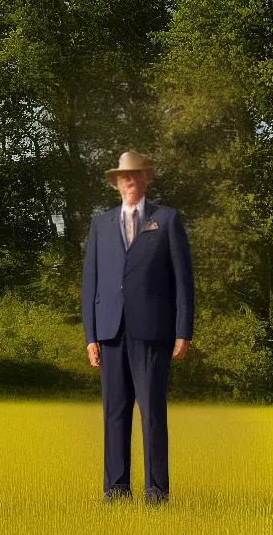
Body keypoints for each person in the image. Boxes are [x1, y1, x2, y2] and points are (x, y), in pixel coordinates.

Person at [82, 151, 194, 504]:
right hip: (110, 331)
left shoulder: (167, 220)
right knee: (114, 413)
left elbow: (183, 281)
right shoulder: (100, 225)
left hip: (153, 331)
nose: (130, 182)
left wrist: (183, 330)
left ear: (146, 178)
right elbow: (91, 284)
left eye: (135, 176)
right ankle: (116, 489)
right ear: (116, 183)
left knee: (152, 414)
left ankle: (156, 492)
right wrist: (91, 336)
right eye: (123, 177)